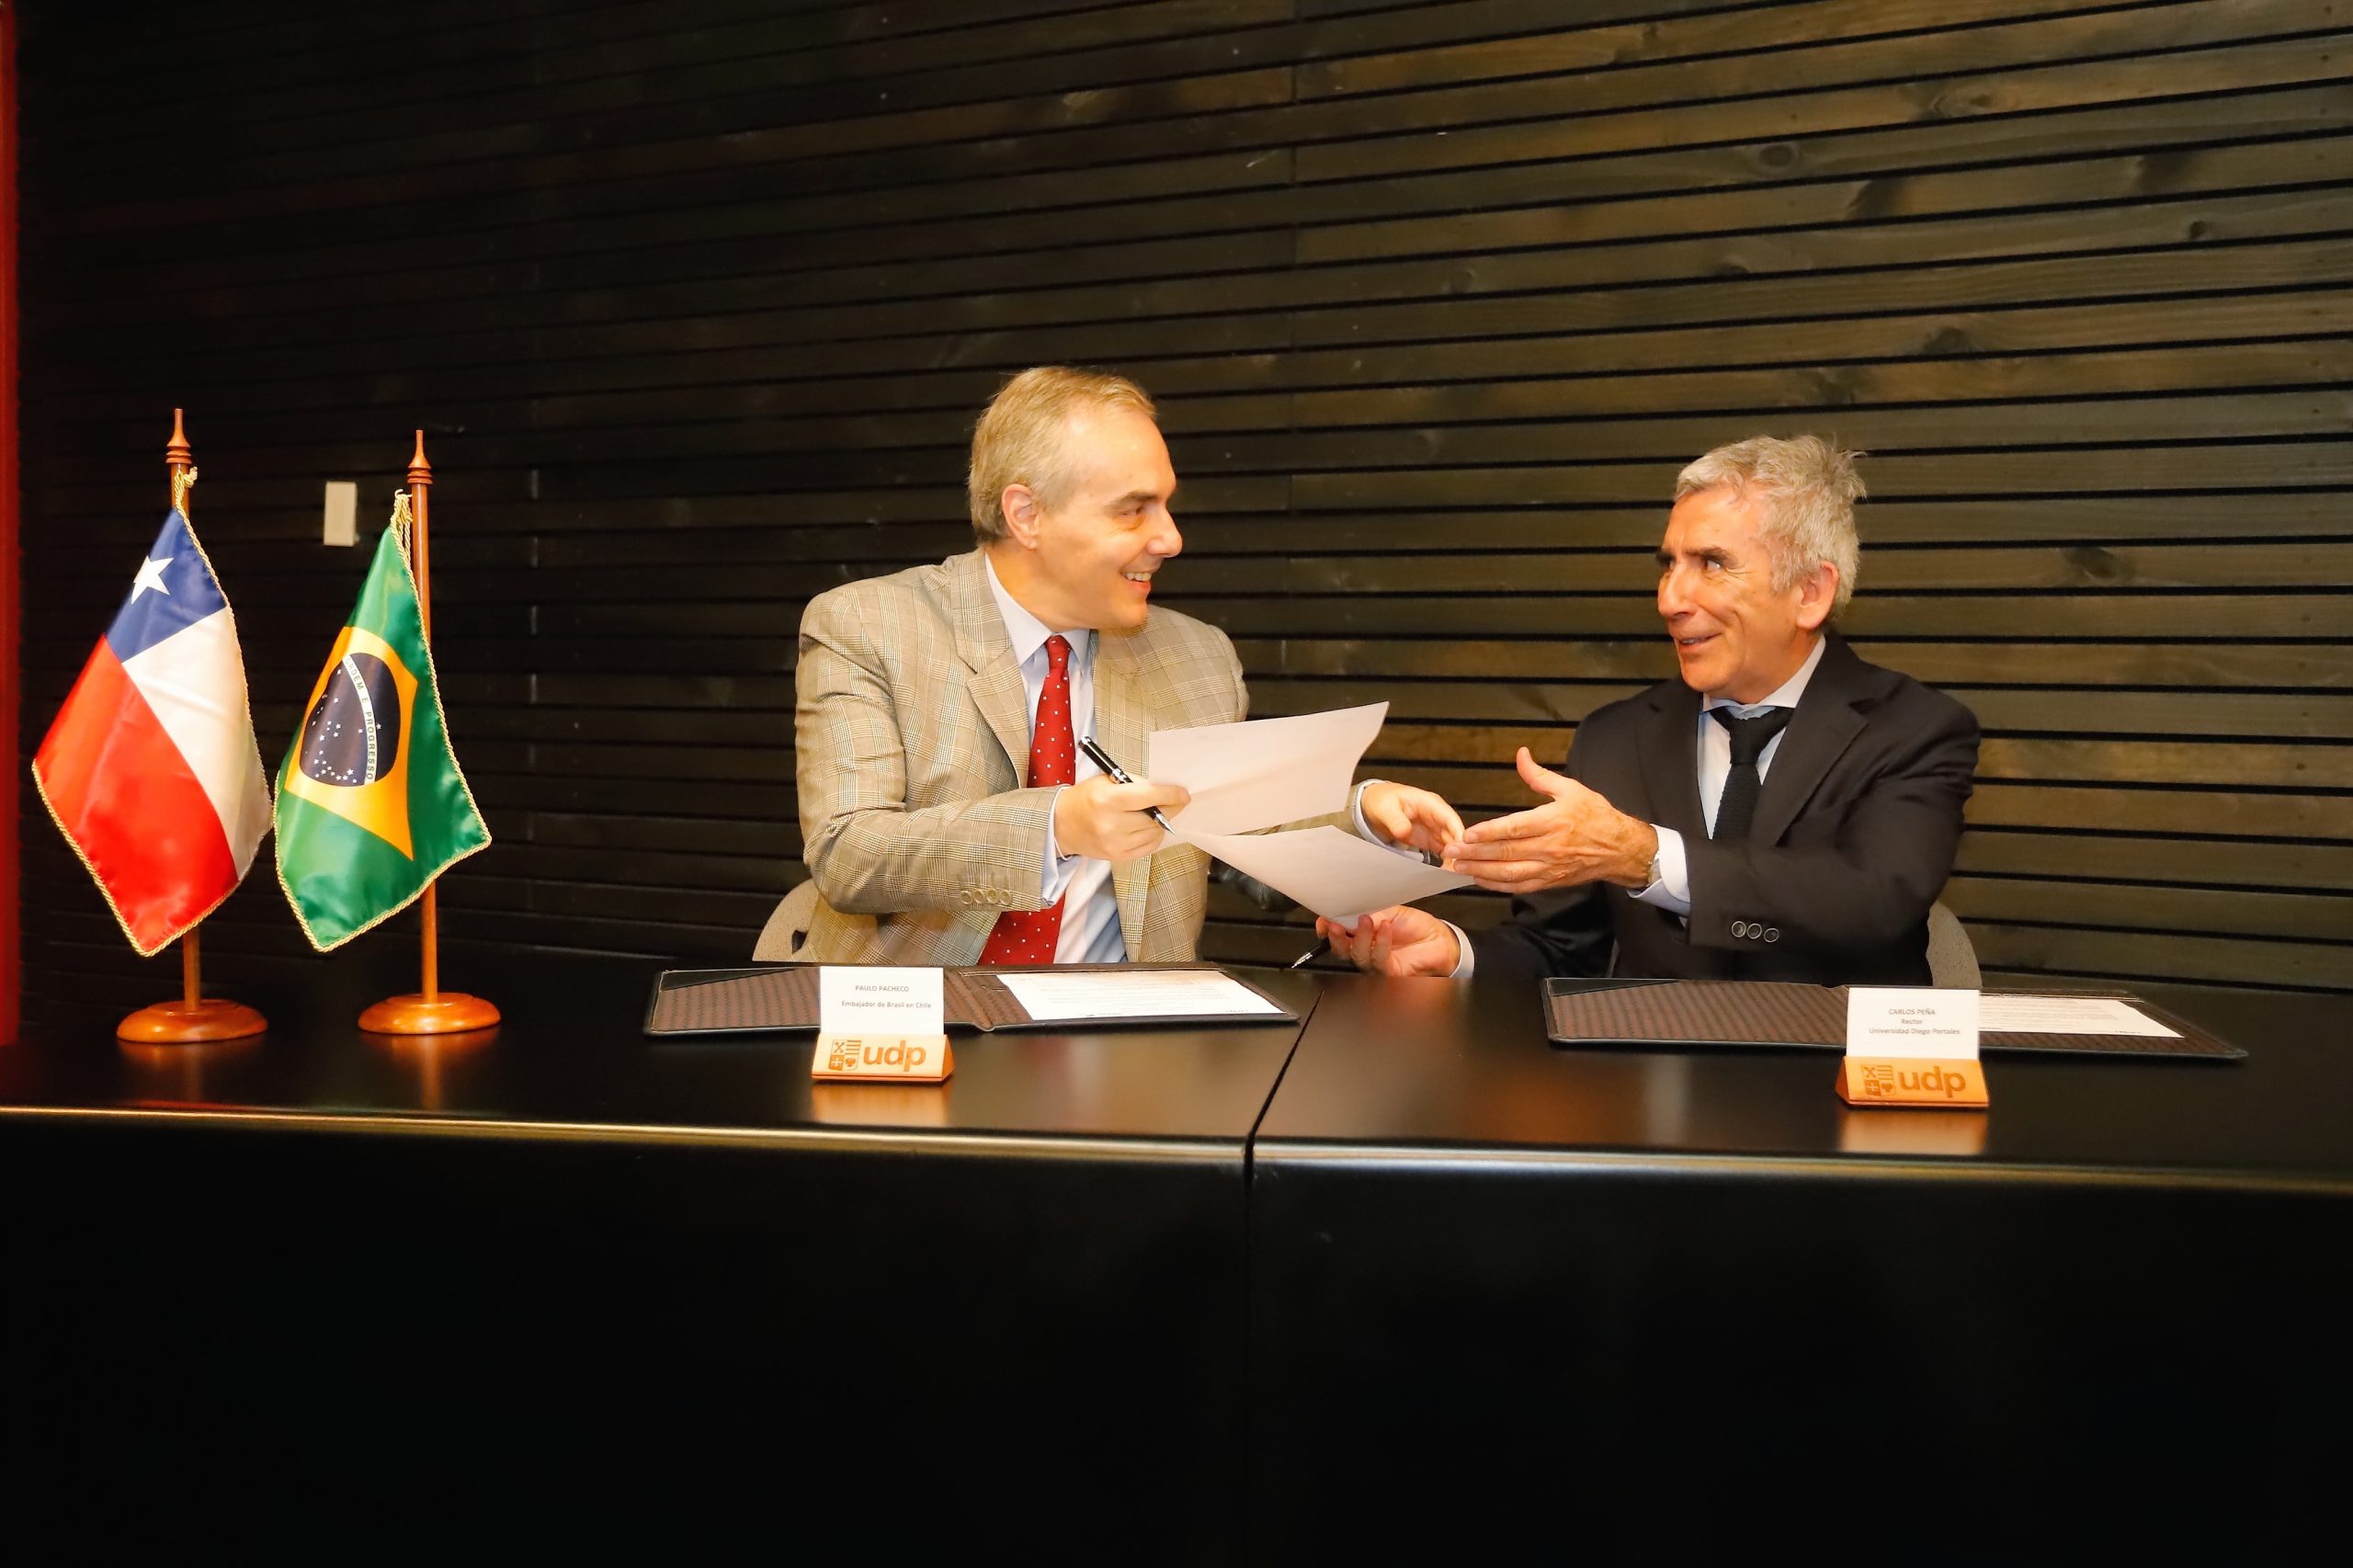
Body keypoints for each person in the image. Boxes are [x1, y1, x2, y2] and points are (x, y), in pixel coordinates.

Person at [779, 366, 1457, 965]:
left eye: (1166, 504)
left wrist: (1362, 815)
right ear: (1027, 515)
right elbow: (849, 853)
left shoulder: (1197, 657)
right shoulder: (869, 626)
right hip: (916, 1029)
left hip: (1126, 1036)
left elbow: (1244, 839)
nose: (1170, 538)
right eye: (1134, 511)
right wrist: (1058, 827)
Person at [1321, 436, 1980, 987]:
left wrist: (1644, 856)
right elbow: (1560, 952)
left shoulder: (1915, 729)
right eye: (1669, 565)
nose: (1671, 599)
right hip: (1645, 1090)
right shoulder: (1616, 738)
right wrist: (1453, 954)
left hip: (1834, 1084)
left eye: (1712, 564)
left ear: (1810, 592)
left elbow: (1870, 905)